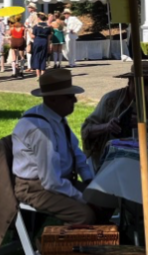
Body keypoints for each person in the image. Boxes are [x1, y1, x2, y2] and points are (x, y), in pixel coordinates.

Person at [12, 68, 106, 224]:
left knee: (104, 203)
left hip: (60, 181)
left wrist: (90, 181)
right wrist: (82, 198)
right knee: (84, 215)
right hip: (36, 188)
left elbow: (76, 153)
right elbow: (51, 182)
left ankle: (97, 240)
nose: (75, 101)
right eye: (70, 96)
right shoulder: (41, 129)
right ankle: (62, 245)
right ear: (52, 99)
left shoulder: (55, 117)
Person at [81, 61, 148, 171]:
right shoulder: (111, 100)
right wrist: (107, 126)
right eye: (137, 82)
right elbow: (86, 130)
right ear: (129, 82)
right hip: (112, 162)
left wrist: (146, 126)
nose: (140, 87)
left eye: (146, 83)